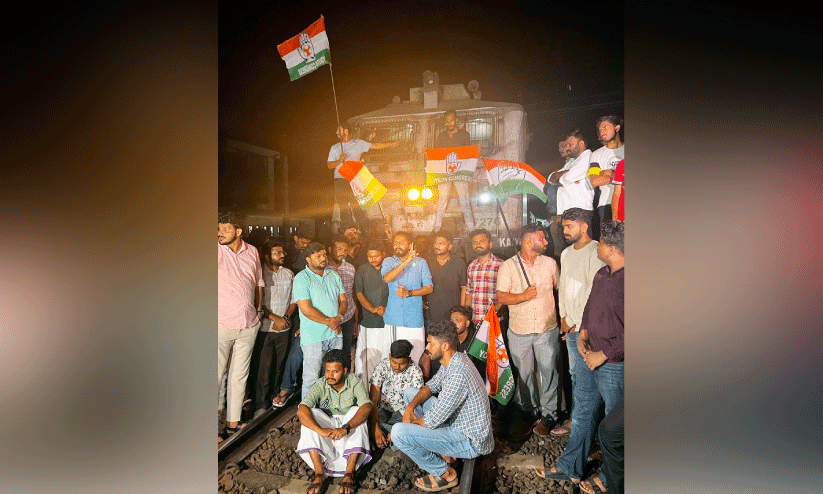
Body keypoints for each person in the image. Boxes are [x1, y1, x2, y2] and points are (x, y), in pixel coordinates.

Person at [539, 221, 624, 494]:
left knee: (614, 426)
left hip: (614, 363)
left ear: (611, 249)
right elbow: (590, 307)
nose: (597, 246)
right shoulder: (602, 274)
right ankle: (571, 465)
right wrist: (584, 332)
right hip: (589, 354)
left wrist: (604, 354)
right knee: (583, 411)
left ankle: (610, 478)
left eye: (601, 243)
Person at [391, 320, 494, 492]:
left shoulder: (458, 374)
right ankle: (446, 453)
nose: (427, 348)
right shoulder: (454, 359)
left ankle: (445, 473)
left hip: (469, 441)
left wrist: (409, 426)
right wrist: (409, 409)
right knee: (410, 393)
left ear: (445, 346)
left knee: (398, 433)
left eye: (431, 343)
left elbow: (432, 420)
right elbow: (431, 386)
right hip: (458, 423)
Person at [496, 224, 561, 436]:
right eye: (542, 238)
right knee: (524, 375)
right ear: (528, 241)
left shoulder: (550, 264)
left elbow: (560, 288)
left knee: (548, 372)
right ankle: (529, 411)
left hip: (546, 328)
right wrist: (523, 296)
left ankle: (549, 415)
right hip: (519, 330)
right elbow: (502, 296)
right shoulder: (508, 266)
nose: (546, 242)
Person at [552, 208, 605, 436]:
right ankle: (579, 420)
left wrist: (573, 320)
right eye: (564, 226)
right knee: (575, 373)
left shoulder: (596, 251)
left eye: (569, 226)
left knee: (586, 377)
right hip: (571, 326)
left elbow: (594, 292)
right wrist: (563, 317)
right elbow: (563, 288)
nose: (565, 230)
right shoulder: (566, 253)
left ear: (584, 227)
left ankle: (585, 425)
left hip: (587, 327)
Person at [296, 349, 373, 494]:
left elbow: (367, 407)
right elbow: (302, 409)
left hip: (346, 426)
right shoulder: (321, 383)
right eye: (327, 371)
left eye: (335, 371)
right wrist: (320, 431)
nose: (330, 375)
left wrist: (345, 428)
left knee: (357, 411)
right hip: (329, 427)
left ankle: (349, 473)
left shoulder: (354, 382)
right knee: (310, 414)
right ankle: (319, 474)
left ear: (345, 371)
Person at [218, 211, 264, 442]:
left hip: (248, 324)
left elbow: (258, 282)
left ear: (238, 231)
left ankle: (232, 424)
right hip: (221, 324)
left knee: (239, 376)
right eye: (218, 228)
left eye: (225, 228)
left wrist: (259, 310)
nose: (220, 232)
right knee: (216, 376)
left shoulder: (252, 251)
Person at [292, 242, 347, 399]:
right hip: (314, 336)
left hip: (335, 334)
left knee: (334, 376)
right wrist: (331, 322)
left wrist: (339, 318)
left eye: (324, 255)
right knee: (311, 378)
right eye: (318, 256)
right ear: (308, 259)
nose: (323, 258)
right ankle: (307, 412)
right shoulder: (301, 278)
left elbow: (343, 301)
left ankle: (329, 408)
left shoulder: (333, 275)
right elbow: (306, 309)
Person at [251, 241, 297, 418]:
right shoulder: (259, 274)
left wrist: (285, 318)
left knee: (279, 367)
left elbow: (293, 300)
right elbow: (257, 302)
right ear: (267, 256)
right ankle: (260, 406)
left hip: (284, 329)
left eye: (282, 252)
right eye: (277, 253)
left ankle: (273, 400)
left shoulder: (289, 274)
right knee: (264, 368)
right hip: (265, 329)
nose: (282, 255)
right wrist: (274, 318)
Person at [327, 122, 399, 234]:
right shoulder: (335, 147)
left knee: (358, 205)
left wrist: (392, 144)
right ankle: (348, 231)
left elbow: (375, 145)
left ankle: (364, 231)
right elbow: (329, 165)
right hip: (340, 179)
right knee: (343, 207)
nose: (336, 132)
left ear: (346, 131)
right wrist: (339, 160)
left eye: (339, 130)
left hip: (355, 178)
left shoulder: (358, 143)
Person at [381, 231, 433, 364]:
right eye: (395, 242)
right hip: (394, 319)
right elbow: (387, 278)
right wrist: (406, 261)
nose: (398, 245)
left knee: (416, 357)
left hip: (414, 318)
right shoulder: (388, 261)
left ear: (410, 245)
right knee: (393, 359)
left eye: (402, 242)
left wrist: (408, 293)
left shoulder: (421, 262)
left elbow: (429, 288)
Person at [368, 339, 425, 449]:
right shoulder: (382, 367)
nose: (397, 367)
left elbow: (414, 406)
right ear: (390, 356)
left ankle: (392, 438)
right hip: (383, 411)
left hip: (403, 414)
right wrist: (375, 429)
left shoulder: (415, 371)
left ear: (409, 359)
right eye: (394, 362)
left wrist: (399, 429)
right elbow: (373, 400)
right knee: (365, 420)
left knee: (408, 432)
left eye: (402, 364)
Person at [546, 130, 594, 257]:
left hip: (580, 210)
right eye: (566, 144)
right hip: (567, 211)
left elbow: (567, 178)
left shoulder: (588, 157)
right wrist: (564, 174)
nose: (567, 148)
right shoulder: (572, 161)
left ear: (581, 144)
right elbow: (550, 178)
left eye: (570, 144)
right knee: (571, 249)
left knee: (583, 249)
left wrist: (562, 177)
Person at [352, 241, 390, 385]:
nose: (373, 259)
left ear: (383, 254)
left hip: (388, 321)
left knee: (385, 356)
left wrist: (386, 308)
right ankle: (365, 390)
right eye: (370, 256)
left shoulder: (391, 269)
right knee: (367, 359)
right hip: (368, 321)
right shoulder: (362, 269)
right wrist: (373, 309)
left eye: (376, 256)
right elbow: (359, 293)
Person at [432, 109, 475, 233]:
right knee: (442, 199)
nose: (449, 123)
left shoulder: (464, 135)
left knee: (464, 200)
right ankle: (437, 227)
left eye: (451, 120)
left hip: (460, 171)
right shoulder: (441, 136)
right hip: (445, 173)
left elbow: (468, 153)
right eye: (447, 121)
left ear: (456, 120)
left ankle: (471, 227)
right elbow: (437, 154)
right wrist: (427, 152)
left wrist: (476, 150)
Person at [420, 306, 485, 380]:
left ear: (467, 323)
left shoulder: (476, 342)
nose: (454, 324)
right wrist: (425, 379)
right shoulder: (446, 334)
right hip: (440, 379)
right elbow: (426, 354)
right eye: (452, 321)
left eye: (458, 320)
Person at [587, 116, 624, 240]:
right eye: (599, 129)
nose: (602, 131)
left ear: (617, 128)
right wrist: (620, 176)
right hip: (606, 204)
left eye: (605, 127)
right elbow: (595, 181)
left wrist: (609, 173)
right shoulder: (596, 154)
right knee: (609, 241)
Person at [326, 236, 358, 362]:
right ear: (330, 249)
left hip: (348, 317)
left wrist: (355, 320)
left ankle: (346, 375)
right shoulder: (323, 268)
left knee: (346, 353)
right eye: (339, 249)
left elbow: (352, 294)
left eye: (345, 250)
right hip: (329, 318)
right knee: (329, 355)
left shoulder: (350, 268)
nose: (343, 252)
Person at [463, 228, 503, 327]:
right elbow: (469, 292)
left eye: (482, 241)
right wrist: (467, 314)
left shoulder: (500, 265)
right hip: (475, 320)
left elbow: (506, 293)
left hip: (494, 320)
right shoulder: (471, 266)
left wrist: (495, 311)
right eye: (475, 242)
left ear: (490, 244)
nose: (478, 244)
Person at [425, 231, 467, 325]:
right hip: (432, 315)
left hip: (452, 315)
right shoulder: (427, 262)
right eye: (436, 242)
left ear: (450, 246)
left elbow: (464, 287)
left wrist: (461, 310)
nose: (437, 246)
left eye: (441, 243)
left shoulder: (458, 263)